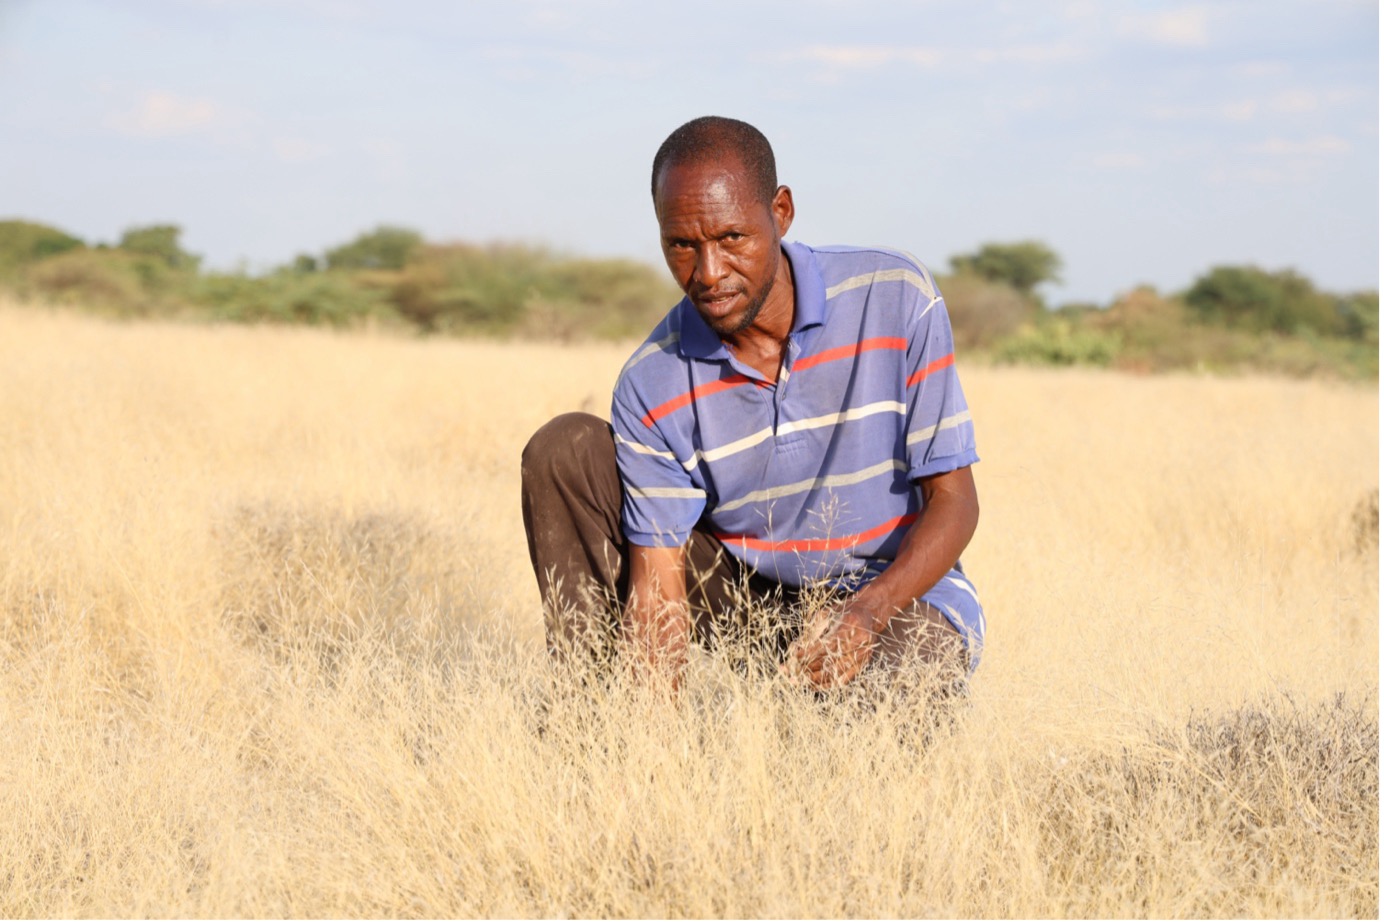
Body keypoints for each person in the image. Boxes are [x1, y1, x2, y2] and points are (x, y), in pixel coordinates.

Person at [521, 115, 983, 697]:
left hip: (894, 596)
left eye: (731, 238)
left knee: (882, 709)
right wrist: (647, 756)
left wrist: (865, 614)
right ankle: (586, 729)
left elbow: (956, 502)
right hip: (746, 602)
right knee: (566, 450)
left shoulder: (895, 295)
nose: (708, 273)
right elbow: (658, 589)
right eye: (681, 246)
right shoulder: (651, 380)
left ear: (781, 212)